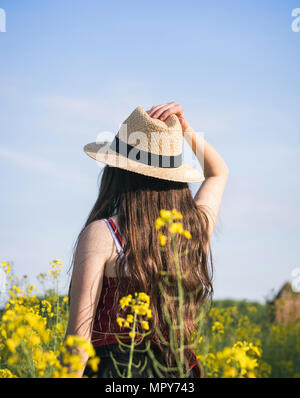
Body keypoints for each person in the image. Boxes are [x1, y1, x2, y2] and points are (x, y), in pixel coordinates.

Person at [64, 102, 229, 378]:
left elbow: (77, 342)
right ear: (174, 179)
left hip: (115, 372)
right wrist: (185, 131)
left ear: (118, 171)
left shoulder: (103, 234)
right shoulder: (191, 232)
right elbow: (218, 172)